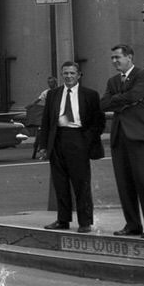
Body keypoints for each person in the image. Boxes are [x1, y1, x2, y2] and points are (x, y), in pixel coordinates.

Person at [99, 41, 144, 237]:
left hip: (142, 137)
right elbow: (104, 104)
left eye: (117, 57)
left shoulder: (143, 75)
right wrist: (125, 101)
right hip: (120, 138)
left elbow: (135, 94)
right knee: (125, 185)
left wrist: (120, 100)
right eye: (112, 58)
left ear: (129, 57)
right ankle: (132, 225)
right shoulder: (112, 81)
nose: (114, 61)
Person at [38, 61, 104, 231]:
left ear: (79, 75)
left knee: (81, 183)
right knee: (60, 183)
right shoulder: (53, 94)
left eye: (72, 73)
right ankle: (63, 220)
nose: (68, 76)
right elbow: (46, 122)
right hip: (58, 140)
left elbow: (98, 122)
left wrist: (86, 140)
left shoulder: (90, 95)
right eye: (65, 73)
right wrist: (44, 145)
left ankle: (84, 222)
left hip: (78, 139)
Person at [23, 76, 57, 159]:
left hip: (57, 113)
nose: (50, 84)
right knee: (42, 131)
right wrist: (30, 106)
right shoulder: (46, 92)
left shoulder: (59, 91)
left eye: (51, 82)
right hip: (48, 113)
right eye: (48, 82)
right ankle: (42, 149)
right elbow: (38, 100)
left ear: (55, 83)